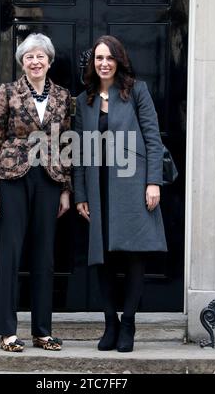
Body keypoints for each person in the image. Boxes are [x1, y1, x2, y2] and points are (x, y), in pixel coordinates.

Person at [74, 35, 167, 352]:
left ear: (118, 60)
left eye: (109, 58)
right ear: (92, 63)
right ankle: (110, 323)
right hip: (98, 187)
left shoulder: (136, 91)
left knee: (134, 255)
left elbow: (153, 138)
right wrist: (80, 193)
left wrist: (153, 181)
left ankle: (128, 324)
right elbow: (80, 152)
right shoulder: (83, 100)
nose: (103, 63)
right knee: (102, 258)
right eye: (98, 58)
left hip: (133, 184)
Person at [0, 33, 71, 352]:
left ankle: (42, 331)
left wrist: (65, 189)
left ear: (49, 60)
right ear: (22, 61)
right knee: (10, 252)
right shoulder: (7, 92)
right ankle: (7, 331)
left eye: (40, 56)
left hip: (48, 178)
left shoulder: (62, 96)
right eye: (29, 56)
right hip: (12, 179)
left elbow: (66, 145)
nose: (35, 61)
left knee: (44, 256)